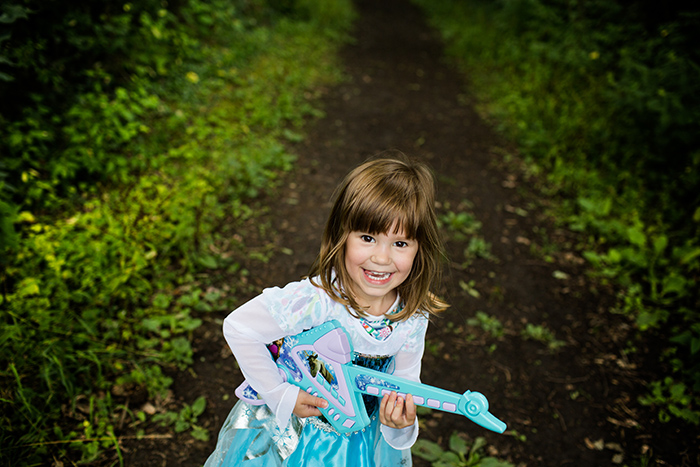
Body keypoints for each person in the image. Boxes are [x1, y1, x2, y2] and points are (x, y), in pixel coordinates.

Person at [204, 153, 449, 467]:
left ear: (420, 249)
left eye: (400, 243)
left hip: (359, 450)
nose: (382, 257)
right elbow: (240, 328)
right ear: (341, 237)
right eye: (368, 238)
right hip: (290, 440)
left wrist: (400, 425)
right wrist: (280, 395)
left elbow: (404, 385)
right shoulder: (316, 300)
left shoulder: (411, 317)